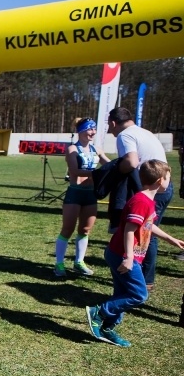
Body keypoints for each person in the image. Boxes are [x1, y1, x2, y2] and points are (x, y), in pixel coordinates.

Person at [86, 160, 184, 347]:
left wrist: (171, 239)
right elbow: (129, 230)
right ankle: (99, 312)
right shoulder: (141, 202)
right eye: (168, 178)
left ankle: (107, 327)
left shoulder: (148, 201)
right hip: (123, 255)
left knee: (123, 293)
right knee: (139, 294)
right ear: (159, 180)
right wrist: (129, 257)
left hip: (125, 255)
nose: (170, 182)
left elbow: (148, 225)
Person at [108, 107, 172, 290]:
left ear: (113, 123)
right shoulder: (145, 132)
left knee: (146, 233)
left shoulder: (125, 135)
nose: (109, 130)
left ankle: (144, 280)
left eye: (109, 126)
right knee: (148, 231)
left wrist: (113, 172)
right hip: (164, 186)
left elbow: (131, 162)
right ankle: (144, 278)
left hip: (153, 189)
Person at [53, 118, 110, 277]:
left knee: (85, 230)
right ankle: (59, 264)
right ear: (81, 131)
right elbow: (75, 171)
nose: (93, 132)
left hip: (90, 194)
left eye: (94, 129)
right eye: (89, 129)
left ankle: (79, 262)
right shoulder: (72, 149)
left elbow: (109, 165)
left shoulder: (97, 149)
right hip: (75, 192)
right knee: (67, 229)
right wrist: (98, 173)